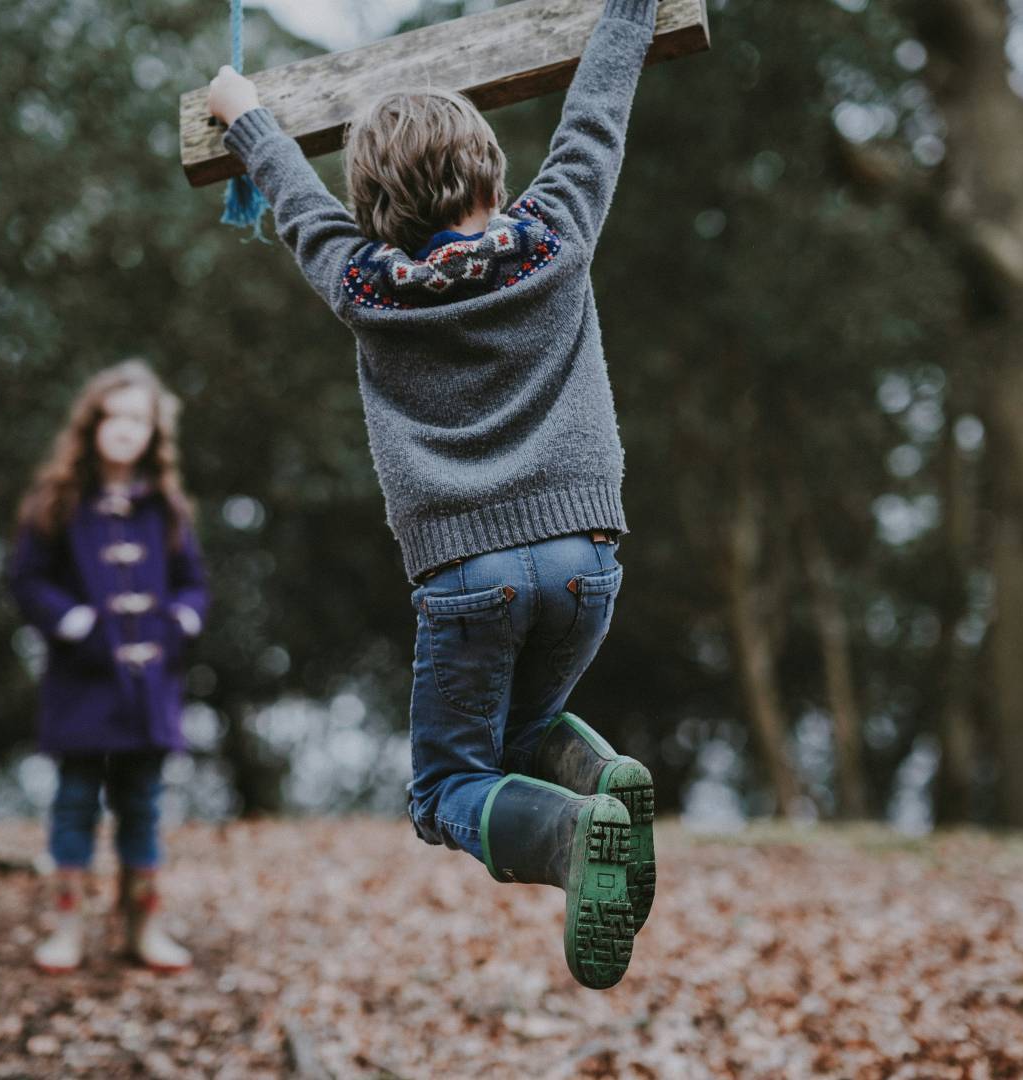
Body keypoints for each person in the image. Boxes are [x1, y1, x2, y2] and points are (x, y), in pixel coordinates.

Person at [206, 0, 662, 989]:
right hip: (588, 560)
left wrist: (248, 117)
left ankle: (582, 833)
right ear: (492, 167)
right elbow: (598, 110)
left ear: (378, 204)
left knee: (445, 786)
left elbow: (296, 203)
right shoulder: (559, 233)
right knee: (519, 735)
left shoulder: (368, 284)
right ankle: (601, 782)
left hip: (468, 575)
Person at [7, 360, 208, 974]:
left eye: (138, 420)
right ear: (91, 424)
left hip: (150, 689)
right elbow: (26, 578)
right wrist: (76, 624)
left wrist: (179, 623)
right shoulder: (58, 501)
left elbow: (193, 584)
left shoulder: (167, 508)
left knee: (143, 804)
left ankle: (141, 929)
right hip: (82, 685)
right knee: (73, 802)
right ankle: (67, 928)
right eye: (114, 417)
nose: (125, 430)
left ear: (154, 432)